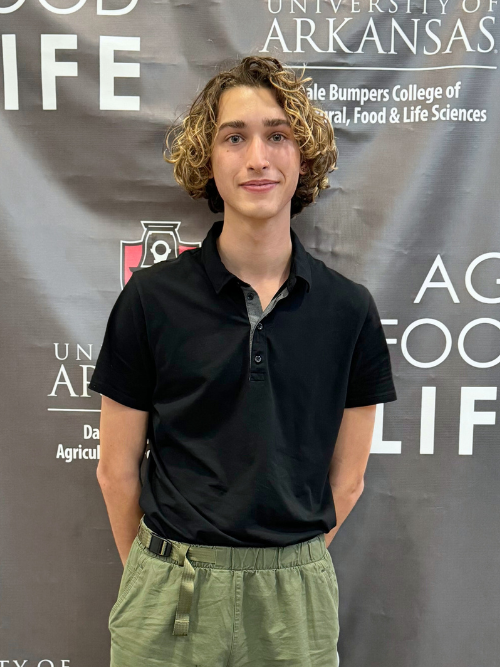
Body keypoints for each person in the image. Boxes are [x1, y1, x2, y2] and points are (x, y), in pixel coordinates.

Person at [89, 55, 397, 667]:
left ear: (302, 155)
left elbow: (349, 479)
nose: (258, 156)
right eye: (235, 137)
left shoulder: (349, 310)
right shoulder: (151, 300)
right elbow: (116, 470)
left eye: (277, 135)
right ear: (209, 157)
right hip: (169, 587)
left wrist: (287, 566)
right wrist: (154, 576)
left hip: (295, 600)